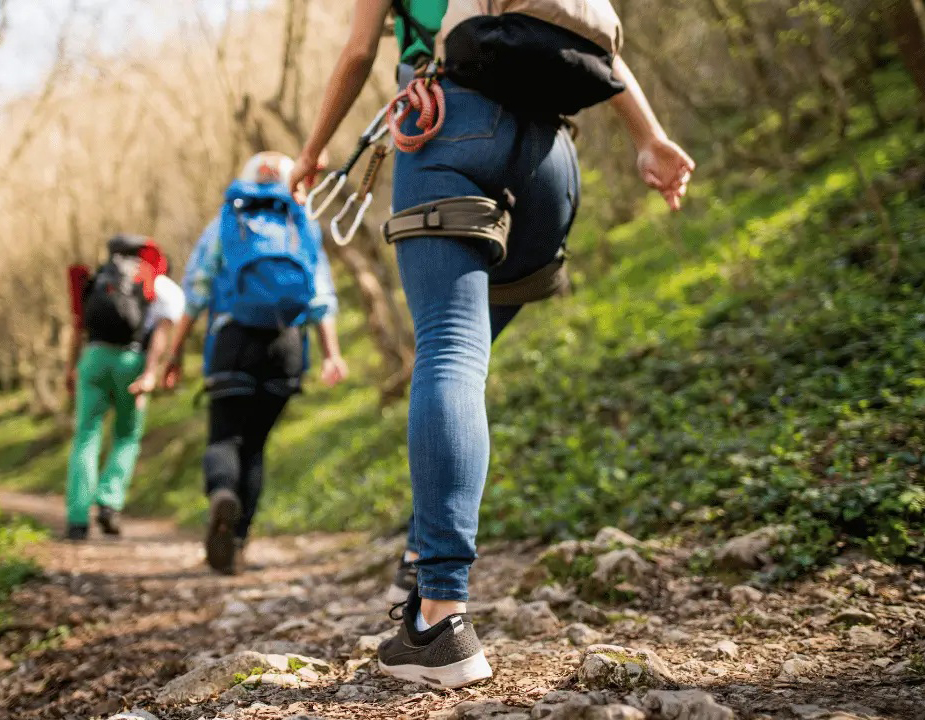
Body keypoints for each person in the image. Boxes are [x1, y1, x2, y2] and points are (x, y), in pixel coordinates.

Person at [290, 0, 695, 688]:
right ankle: (423, 560)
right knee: (462, 356)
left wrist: (312, 149)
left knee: (450, 350)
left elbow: (359, 52)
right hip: (551, 164)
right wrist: (650, 138)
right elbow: (595, 41)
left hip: (448, 129)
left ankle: (439, 617)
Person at [163, 152, 349, 575]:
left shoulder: (227, 221)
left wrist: (172, 356)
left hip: (233, 341)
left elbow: (196, 291)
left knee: (225, 437)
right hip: (286, 344)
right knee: (256, 446)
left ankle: (221, 494)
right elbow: (321, 297)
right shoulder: (302, 224)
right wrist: (333, 355)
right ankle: (240, 541)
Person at [64, 235, 185, 541]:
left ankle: (77, 519)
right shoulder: (158, 285)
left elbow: (78, 325)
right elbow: (161, 332)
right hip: (131, 361)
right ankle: (109, 502)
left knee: (86, 436)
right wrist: (150, 373)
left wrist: (71, 367)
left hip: (93, 358)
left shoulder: (99, 279)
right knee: (127, 436)